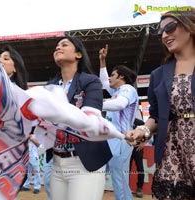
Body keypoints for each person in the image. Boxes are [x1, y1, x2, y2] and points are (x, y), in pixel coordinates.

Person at [126, 9, 195, 200]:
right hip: (172, 152)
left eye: (170, 27)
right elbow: (156, 116)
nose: (165, 35)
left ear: (190, 27)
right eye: (161, 32)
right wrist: (143, 131)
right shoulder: (157, 75)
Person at [48, 36, 112, 200]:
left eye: (64, 45)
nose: (58, 48)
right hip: (57, 161)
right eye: (56, 46)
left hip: (85, 161)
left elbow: (90, 119)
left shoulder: (91, 82)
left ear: (78, 54)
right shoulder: (51, 86)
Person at [99, 44, 138, 200]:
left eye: (112, 75)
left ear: (121, 77)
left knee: (119, 179)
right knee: (105, 176)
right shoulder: (116, 91)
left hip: (122, 139)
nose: (109, 78)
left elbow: (120, 105)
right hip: (110, 140)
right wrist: (102, 61)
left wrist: (94, 103)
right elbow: (103, 82)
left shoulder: (128, 89)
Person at [129, 118, 145, 198]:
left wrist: (143, 143)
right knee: (127, 168)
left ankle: (140, 188)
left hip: (138, 148)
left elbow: (147, 133)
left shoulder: (140, 122)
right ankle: (126, 187)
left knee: (140, 168)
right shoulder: (125, 121)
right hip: (127, 148)